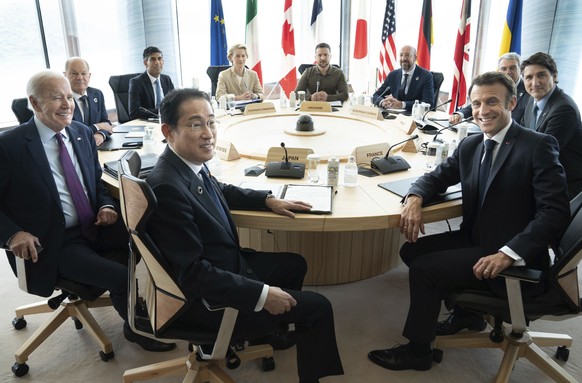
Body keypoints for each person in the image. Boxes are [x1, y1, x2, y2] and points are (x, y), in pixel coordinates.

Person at [367, 72, 570, 372]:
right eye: (476, 103)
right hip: (477, 238)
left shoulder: (538, 145)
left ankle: (419, 351)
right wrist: (414, 198)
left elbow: (554, 213)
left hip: (513, 254)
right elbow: (436, 177)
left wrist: (507, 253)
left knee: (424, 271)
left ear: (512, 102)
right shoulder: (472, 145)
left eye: (492, 102)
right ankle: (467, 314)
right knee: (411, 251)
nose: (482, 110)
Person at [146, 88, 344, 383]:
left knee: (295, 264)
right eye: (195, 124)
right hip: (206, 300)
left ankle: (269, 332)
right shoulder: (166, 187)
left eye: (211, 122)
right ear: (168, 131)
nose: (208, 133)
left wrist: (266, 199)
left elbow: (220, 190)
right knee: (318, 308)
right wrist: (262, 295)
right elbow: (193, 274)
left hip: (224, 265)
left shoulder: (184, 166)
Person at [0, 70, 174, 353]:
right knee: (120, 276)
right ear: (34, 102)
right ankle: (136, 328)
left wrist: (105, 204)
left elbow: (95, 183)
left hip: (93, 225)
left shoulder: (81, 133)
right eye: (57, 98)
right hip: (53, 243)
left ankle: (170, 303)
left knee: (155, 236)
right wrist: (12, 234)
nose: (67, 104)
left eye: (69, 96)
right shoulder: (9, 146)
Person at [521, 51, 582, 199]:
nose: (535, 83)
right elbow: (522, 135)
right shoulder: (532, 99)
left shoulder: (564, 108)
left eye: (541, 75)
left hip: (563, 186)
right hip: (541, 177)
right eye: (529, 77)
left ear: (554, 76)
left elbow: (542, 154)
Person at [449, 52, 530, 124]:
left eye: (512, 68)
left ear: (520, 69)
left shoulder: (529, 90)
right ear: (499, 71)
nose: (508, 72)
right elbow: (480, 103)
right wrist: (460, 114)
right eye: (503, 69)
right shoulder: (496, 85)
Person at [64, 57, 113, 146]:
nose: (79, 77)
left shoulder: (97, 94)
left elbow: (106, 123)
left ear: (89, 76)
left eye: (83, 73)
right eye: (74, 74)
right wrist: (96, 127)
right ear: (65, 75)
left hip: (98, 147)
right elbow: (69, 132)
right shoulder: (63, 99)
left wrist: (101, 134)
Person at [372, 45, 434, 112]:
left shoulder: (426, 76)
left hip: (413, 117)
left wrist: (402, 105)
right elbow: (376, 95)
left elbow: (428, 103)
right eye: (401, 55)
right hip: (393, 116)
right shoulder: (393, 75)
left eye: (407, 55)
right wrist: (382, 102)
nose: (403, 58)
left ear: (415, 58)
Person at [128, 46, 175, 120]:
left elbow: (174, 103)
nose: (157, 63)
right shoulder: (136, 82)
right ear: (145, 63)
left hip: (167, 120)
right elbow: (134, 112)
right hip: (148, 123)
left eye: (159, 59)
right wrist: (162, 111)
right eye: (153, 59)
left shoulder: (166, 79)